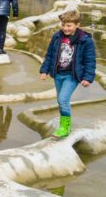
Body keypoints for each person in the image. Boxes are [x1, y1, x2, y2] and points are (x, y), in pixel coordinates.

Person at [39, 10, 96, 139]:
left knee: (63, 99)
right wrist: (44, 70)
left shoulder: (85, 40)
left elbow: (90, 60)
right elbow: (50, 55)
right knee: (61, 101)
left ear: (77, 24)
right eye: (63, 25)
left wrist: (88, 77)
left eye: (69, 25)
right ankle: (64, 123)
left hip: (72, 75)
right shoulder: (57, 37)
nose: (65, 28)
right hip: (58, 74)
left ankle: (65, 127)